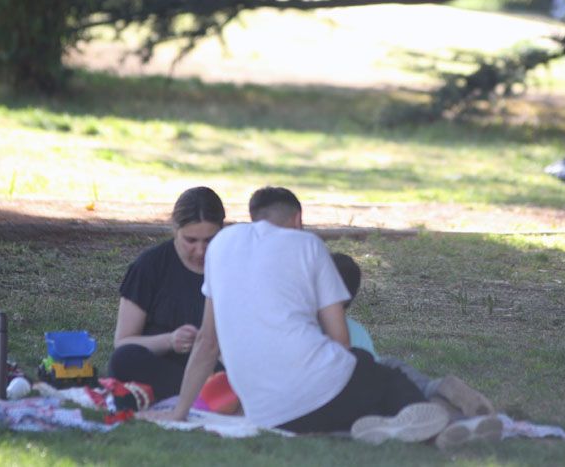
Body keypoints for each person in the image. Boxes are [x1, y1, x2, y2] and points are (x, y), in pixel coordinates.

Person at [170, 187, 451, 444]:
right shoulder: (307, 244)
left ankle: (381, 423)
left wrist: (179, 412)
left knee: (357, 381)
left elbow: (207, 342)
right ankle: (435, 429)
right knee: (382, 374)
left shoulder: (220, 246)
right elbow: (340, 339)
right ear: (297, 219)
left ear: (254, 217)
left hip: (266, 415)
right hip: (319, 397)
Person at [331, 252, 501, 449]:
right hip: (386, 376)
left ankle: (446, 419)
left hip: (369, 386)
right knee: (411, 381)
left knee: (406, 397)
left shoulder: (313, 326)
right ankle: (448, 394)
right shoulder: (356, 329)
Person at [108, 186, 225, 401]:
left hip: (215, 364)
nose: (200, 251)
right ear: (175, 229)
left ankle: (209, 391)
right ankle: (205, 393)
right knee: (123, 359)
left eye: (209, 240)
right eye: (191, 240)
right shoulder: (150, 265)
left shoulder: (232, 266)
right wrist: (171, 341)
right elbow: (123, 342)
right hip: (164, 363)